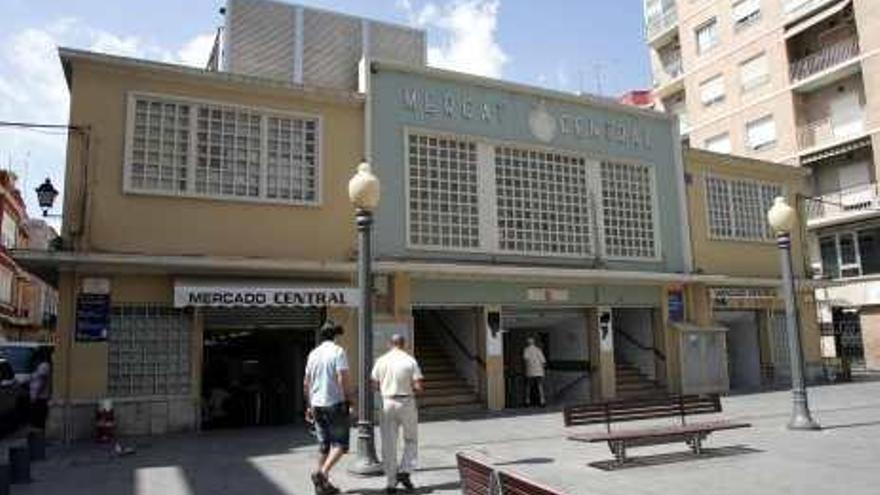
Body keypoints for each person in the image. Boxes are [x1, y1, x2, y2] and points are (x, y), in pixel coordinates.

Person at [304, 322, 353, 495]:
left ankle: (322, 487)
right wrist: (349, 398)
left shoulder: (313, 354)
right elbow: (342, 377)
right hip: (334, 403)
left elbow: (306, 382)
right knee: (340, 445)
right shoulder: (338, 351)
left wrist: (309, 406)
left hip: (316, 404)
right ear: (335, 336)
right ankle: (322, 474)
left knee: (324, 446)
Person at [371, 334, 423, 494]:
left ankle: (391, 483)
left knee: (388, 443)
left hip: (387, 402)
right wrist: (410, 388)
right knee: (411, 439)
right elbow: (419, 386)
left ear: (390, 344)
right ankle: (405, 470)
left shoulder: (381, 361)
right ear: (404, 344)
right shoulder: (410, 360)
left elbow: (373, 384)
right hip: (406, 401)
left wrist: (385, 390)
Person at [29, 347, 52, 431]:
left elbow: (42, 381)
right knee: (38, 417)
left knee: (38, 417)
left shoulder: (44, 366)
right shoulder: (42, 366)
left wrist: (36, 395)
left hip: (40, 397)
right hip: (39, 396)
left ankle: (38, 435)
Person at [523, 337, 547, 407]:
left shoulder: (526, 350)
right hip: (539, 371)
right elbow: (543, 361)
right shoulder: (538, 350)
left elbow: (525, 359)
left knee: (528, 386)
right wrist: (543, 371)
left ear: (528, 343)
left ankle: (527, 401)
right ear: (534, 342)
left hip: (530, 371)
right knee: (540, 386)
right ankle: (542, 401)